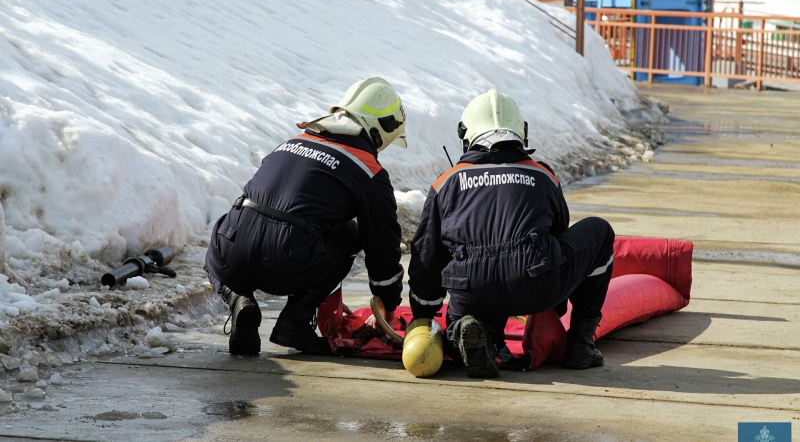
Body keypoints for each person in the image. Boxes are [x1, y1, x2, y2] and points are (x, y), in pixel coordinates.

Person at [407, 89, 615, 378]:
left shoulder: (447, 182)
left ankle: (465, 332)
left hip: (471, 290)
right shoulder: (543, 176)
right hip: (534, 285)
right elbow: (558, 239)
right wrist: (554, 307)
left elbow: (427, 255)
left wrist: (423, 316)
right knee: (600, 232)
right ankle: (581, 344)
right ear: (521, 133)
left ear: (466, 135)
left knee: (474, 302)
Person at [205, 77, 407, 356]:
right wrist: (386, 302)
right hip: (286, 263)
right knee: (351, 234)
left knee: (230, 224)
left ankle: (239, 299)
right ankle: (295, 320)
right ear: (379, 129)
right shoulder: (368, 170)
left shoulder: (292, 142)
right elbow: (381, 242)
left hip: (231, 257)